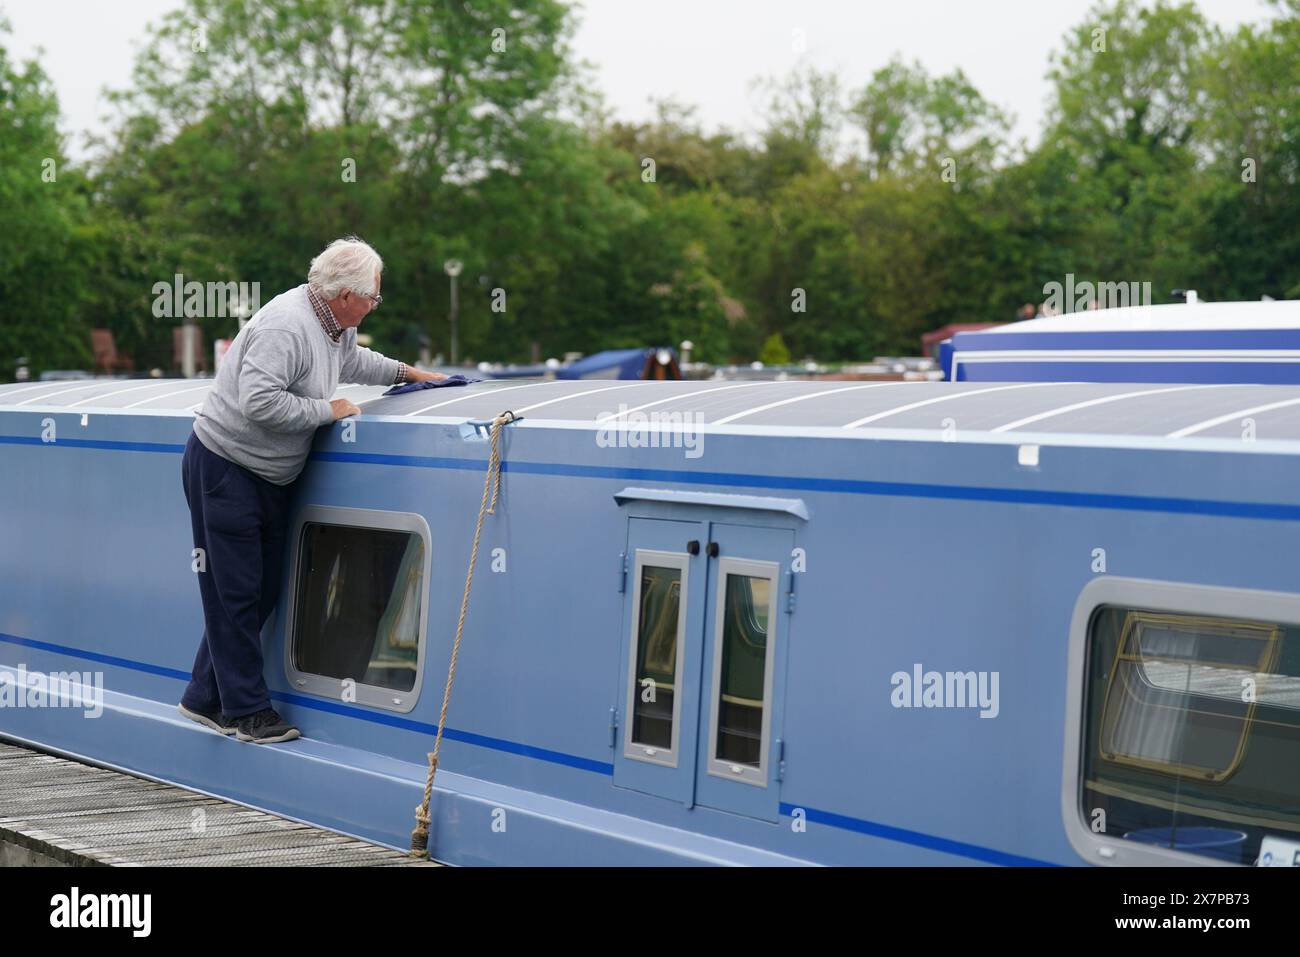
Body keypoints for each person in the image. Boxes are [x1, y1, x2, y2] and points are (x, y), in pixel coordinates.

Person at [177, 236, 446, 743]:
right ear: (346, 294)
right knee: (234, 594)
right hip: (225, 467)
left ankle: (202, 696)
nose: (374, 306)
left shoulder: (331, 323)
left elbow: (354, 364)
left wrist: (412, 376)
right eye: (374, 298)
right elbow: (260, 402)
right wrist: (330, 410)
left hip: (265, 475)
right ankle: (246, 712)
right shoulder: (286, 325)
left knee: (260, 593)